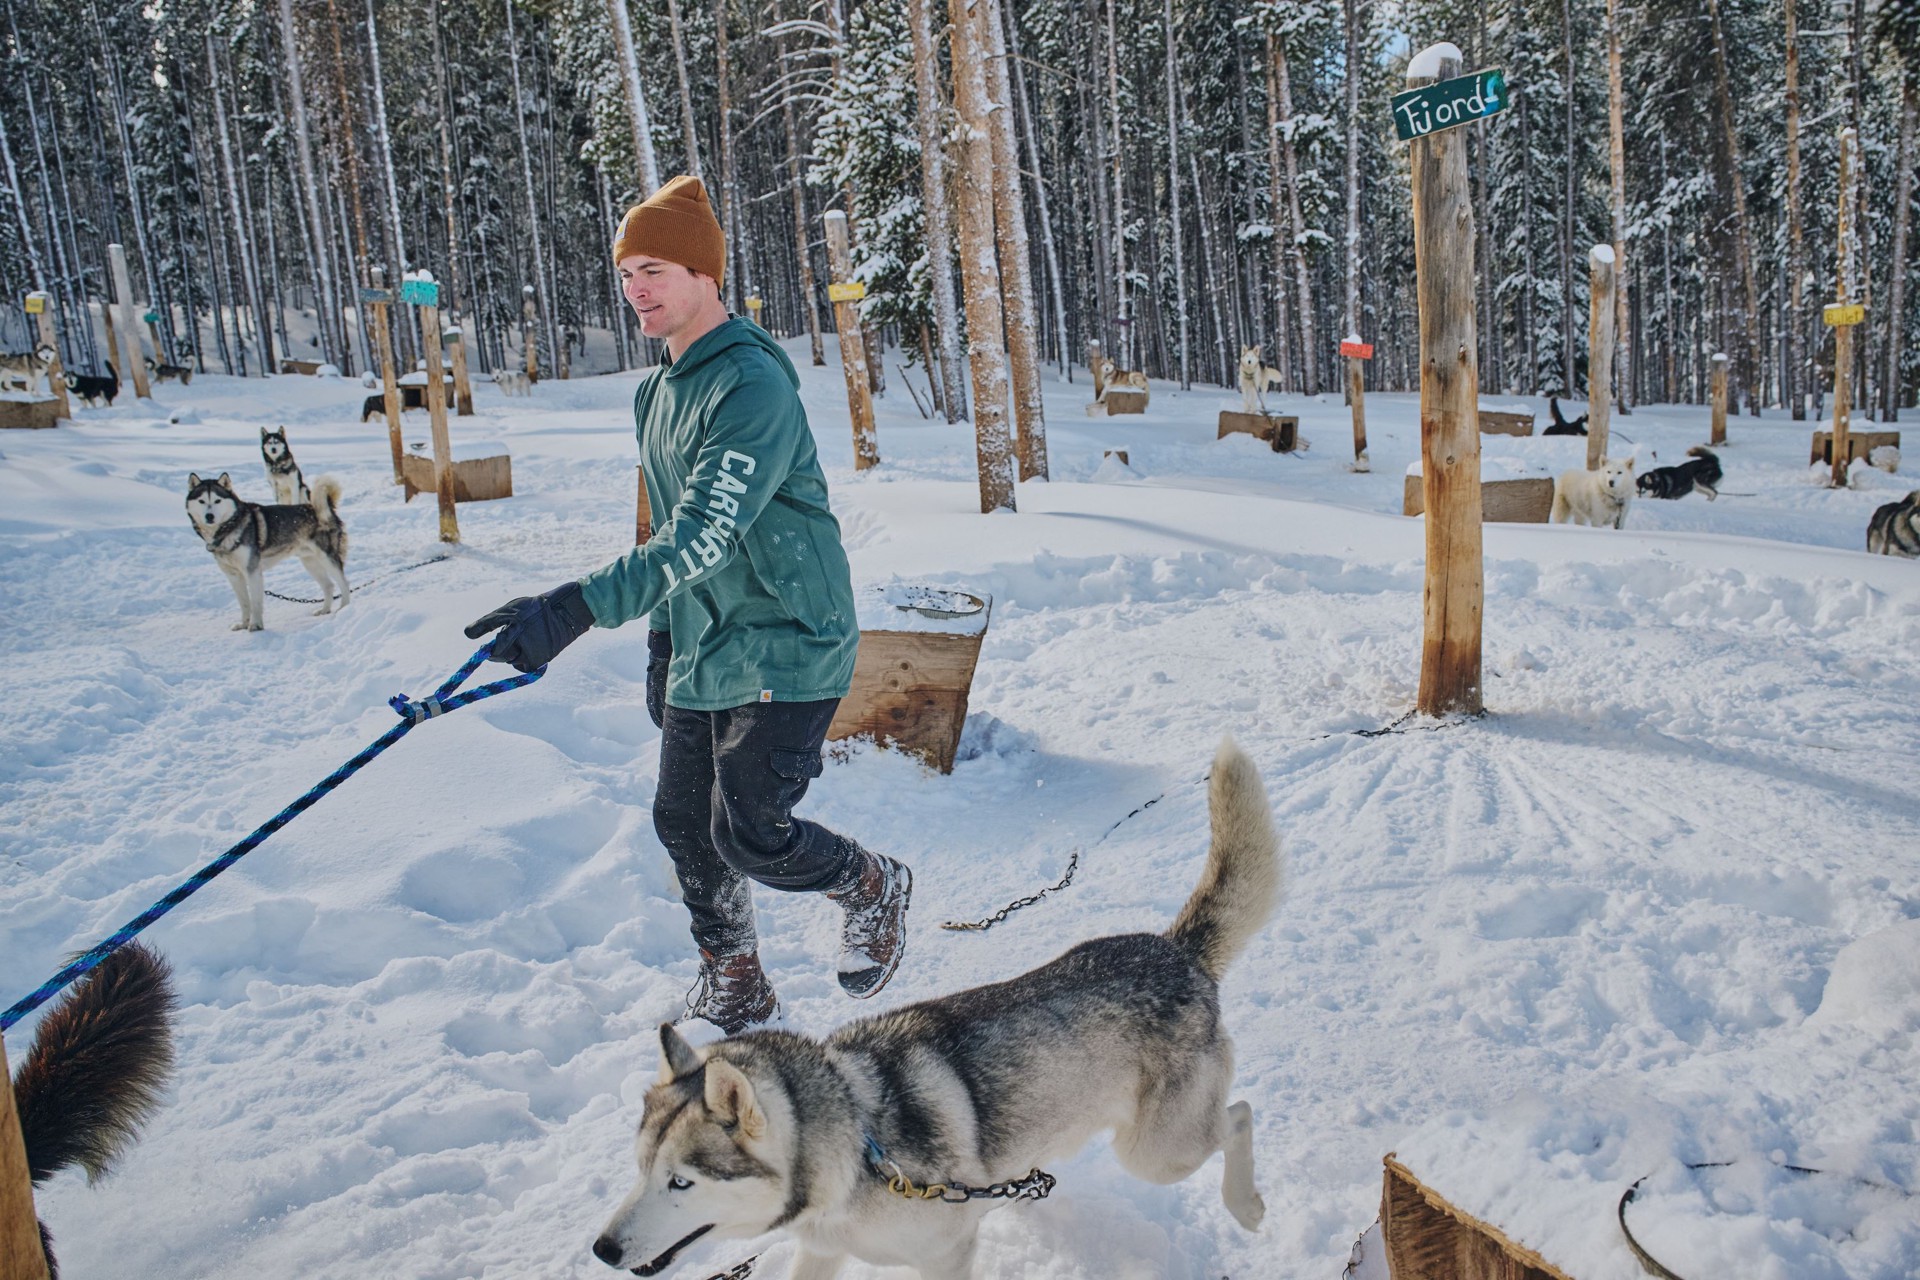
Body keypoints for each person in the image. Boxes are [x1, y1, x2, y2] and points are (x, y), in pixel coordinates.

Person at [464, 175, 910, 1035]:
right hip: (709, 642)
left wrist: (573, 610)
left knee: (750, 830)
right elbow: (667, 522)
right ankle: (737, 977)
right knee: (681, 820)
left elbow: (704, 531)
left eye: (655, 268)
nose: (636, 287)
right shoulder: (655, 392)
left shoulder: (750, 386)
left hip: (789, 637)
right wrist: (664, 641)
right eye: (627, 270)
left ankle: (872, 884)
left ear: (706, 275)